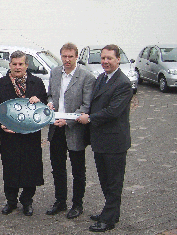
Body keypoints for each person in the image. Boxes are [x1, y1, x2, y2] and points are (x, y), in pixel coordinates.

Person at [77, 44, 133, 232]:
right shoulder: (101, 78)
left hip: (115, 142)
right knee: (105, 180)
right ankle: (111, 213)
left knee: (114, 182)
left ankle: (108, 220)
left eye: (109, 58)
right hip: (100, 140)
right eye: (103, 58)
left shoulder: (123, 83)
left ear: (118, 60)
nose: (105, 62)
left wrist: (89, 118)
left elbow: (113, 112)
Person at [0, 50, 47, 216]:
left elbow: (44, 109)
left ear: (27, 65)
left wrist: (40, 102)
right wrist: (0, 127)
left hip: (31, 136)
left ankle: (27, 201)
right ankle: (11, 201)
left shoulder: (37, 83)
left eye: (21, 64)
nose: (17, 67)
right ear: (10, 65)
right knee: (10, 169)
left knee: (31, 169)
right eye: (14, 64)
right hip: (10, 137)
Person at [46, 43, 95, 219]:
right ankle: (60, 201)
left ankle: (77, 204)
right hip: (55, 129)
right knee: (57, 168)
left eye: (70, 57)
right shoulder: (55, 72)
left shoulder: (86, 77)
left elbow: (86, 106)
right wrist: (50, 103)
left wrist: (67, 121)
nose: (67, 60)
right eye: (64, 56)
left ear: (76, 57)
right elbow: (51, 94)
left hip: (74, 129)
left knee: (78, 170)